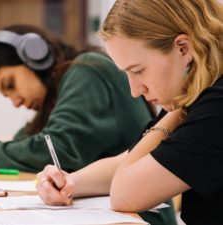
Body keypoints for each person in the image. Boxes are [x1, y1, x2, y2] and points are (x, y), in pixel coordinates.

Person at [36, 0, 223, 225]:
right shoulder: (197, 96)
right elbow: (130, 162)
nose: (135, 91)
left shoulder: (215, 106)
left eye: (138, 71)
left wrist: (176, 112)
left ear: (183, 48)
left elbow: (126, 194)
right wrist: (67, 182)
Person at [0, 24, 153, 174]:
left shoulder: (88, 71)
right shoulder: (60, 90)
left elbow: (58, 149)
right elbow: (24, 143)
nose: (16, 103)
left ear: (36, 55)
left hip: (137, 217)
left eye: (10, 85)